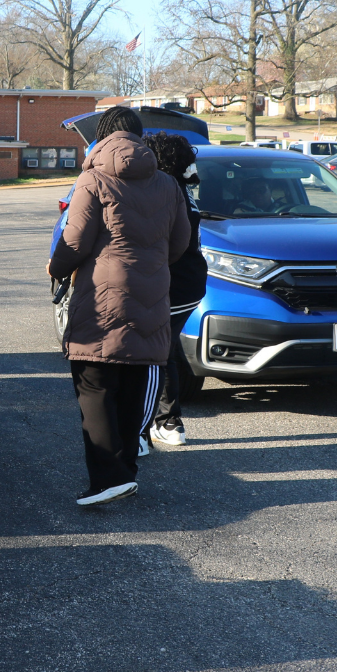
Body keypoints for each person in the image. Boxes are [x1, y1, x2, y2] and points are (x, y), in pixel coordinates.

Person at [48, 107, 190, 506]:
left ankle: (108, 478)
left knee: (93, 384)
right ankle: (125, 470)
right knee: (131, 381)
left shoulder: (92, 179)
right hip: (152, 290)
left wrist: (55, 268)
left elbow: (74, 241)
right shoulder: (166, 182)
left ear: (105, 136)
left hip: (101, 294)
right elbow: (180, 243)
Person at [139, 132, 207, 448]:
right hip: (190, 283)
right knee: (164, 349)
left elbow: (167, 246)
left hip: (175, 284)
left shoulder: (167, 192)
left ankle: (160, 423)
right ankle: (168, 421)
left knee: (154, 352)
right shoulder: (182, 189)